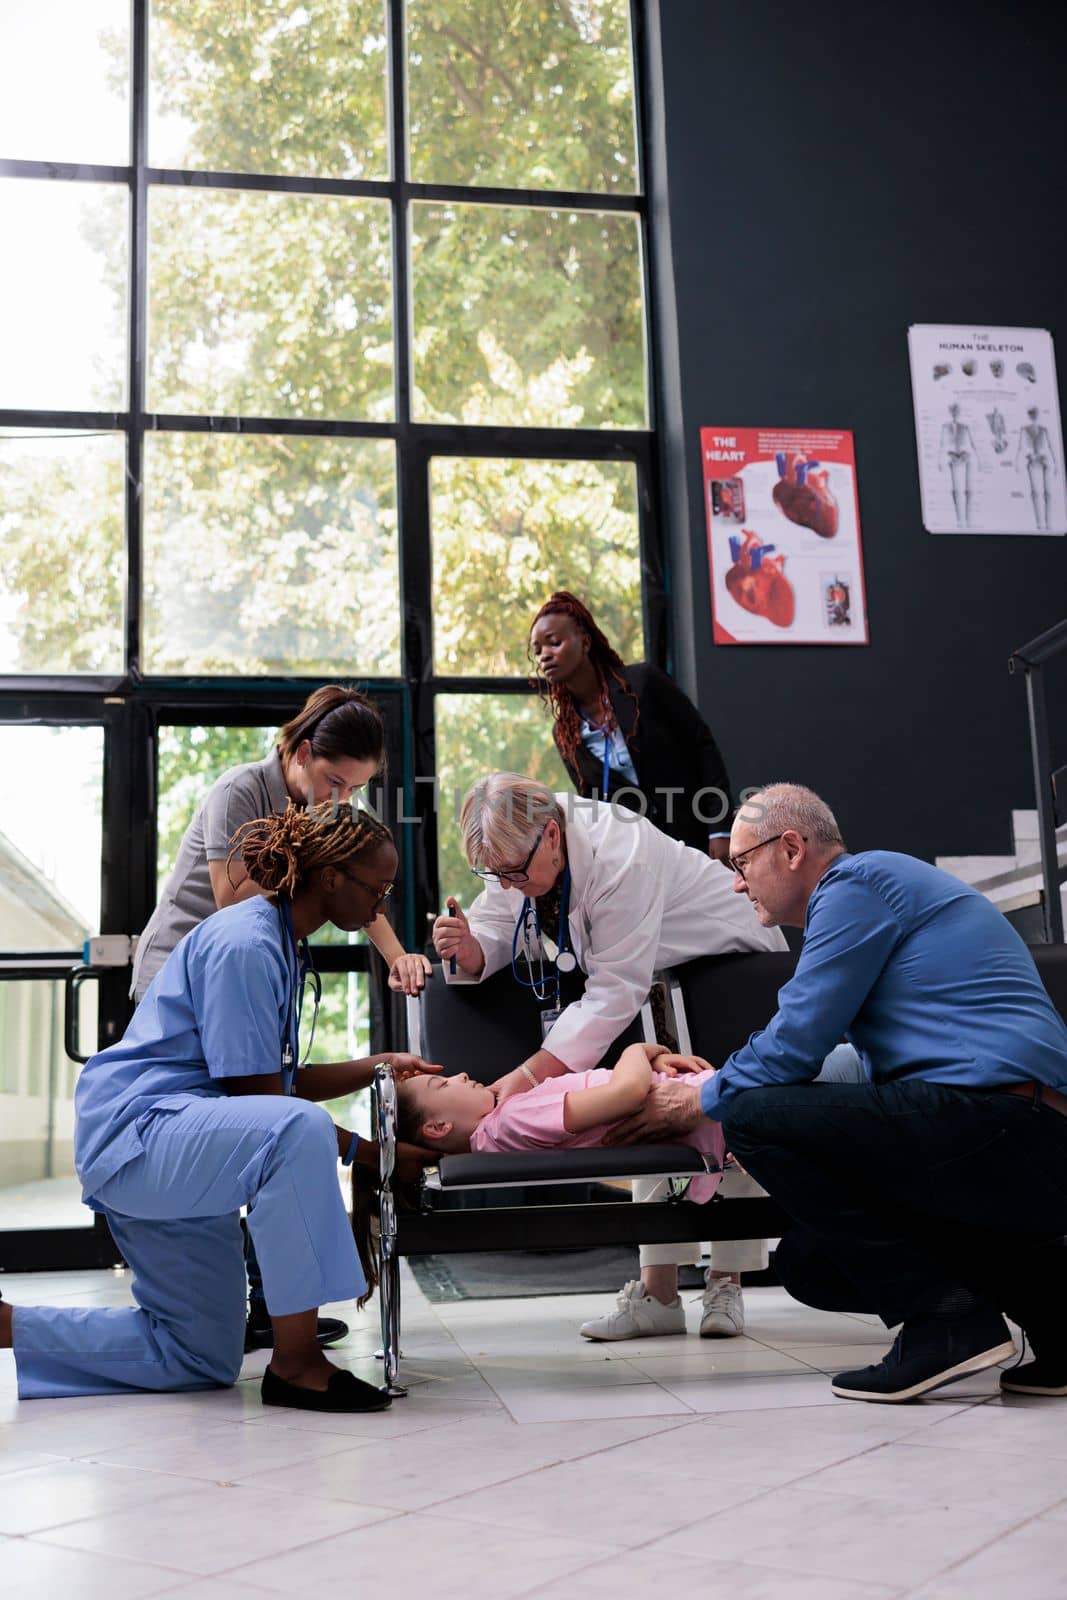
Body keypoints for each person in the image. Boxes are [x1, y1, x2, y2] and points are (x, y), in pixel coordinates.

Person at [607, 783, 1067, 1403]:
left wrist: (704, 1099)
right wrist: (735, 1083)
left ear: (791, 847)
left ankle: (946, 1321)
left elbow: (798, 1038)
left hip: (1008, 1124)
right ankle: (1060, 1319)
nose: (737, 884)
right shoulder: (882, 892)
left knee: (751, 1113)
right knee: (810, 1262)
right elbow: (844, 1064)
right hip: (1013, 1132)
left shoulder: (855, 885)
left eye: (741, 863)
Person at [0, 802, 440, 1414]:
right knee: (296, 1131)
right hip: (143, 1135)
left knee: (198, 1354)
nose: (381, 908)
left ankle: (8, 1327)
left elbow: (267, 1082)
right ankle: (297, 1364)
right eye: (379, 888)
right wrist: (373, 1155)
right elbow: (262, 1105)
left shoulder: (281, 940)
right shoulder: (247, 944)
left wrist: (377, 1065)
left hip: (190, 1142)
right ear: (333, 877)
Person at [432, 773, 786, 1342]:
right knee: (648, 1116)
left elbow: (614, 988)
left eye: (514, 872)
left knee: (724, 1119)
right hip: (659, 979)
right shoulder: (516, 844)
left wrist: (524, 1078)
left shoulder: (622, 853)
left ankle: (727, 1283)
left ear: (551, 835)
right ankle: (658, 1294)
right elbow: (497, 919)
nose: (506, 883)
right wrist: (473, 949)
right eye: (492, 874)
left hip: (725, 966)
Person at [132, 683, 431, 1351]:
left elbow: (351, 884)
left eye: (353, 791)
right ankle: (250, 1303)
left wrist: (395, 954)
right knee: (252, 1123)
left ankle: (273, 1306)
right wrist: (363, 1150)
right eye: (331, 782)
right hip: (182, 974)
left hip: (249, 973)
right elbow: (232, 896)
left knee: (266, 1112)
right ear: (298, 756)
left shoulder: (319, 844)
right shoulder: (244, 791)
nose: (338, 799)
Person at [529, 591, 735, 859]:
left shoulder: (643, 684)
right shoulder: (566, 734)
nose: (544, 655)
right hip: (637, 858)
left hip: (697, 839)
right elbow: (594, 808)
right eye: (537, 650)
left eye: (554, 643)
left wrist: (719, 829)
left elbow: (702, 747)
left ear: (586, 642)